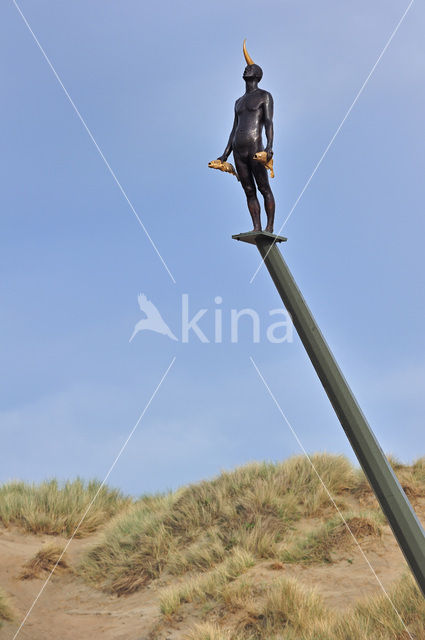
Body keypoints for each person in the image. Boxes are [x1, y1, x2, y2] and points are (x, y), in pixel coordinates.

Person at [218, 41, 275, 232]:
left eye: (249, 68)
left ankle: (269, 226)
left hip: (255, 146)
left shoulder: (264, 96)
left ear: (257, 74)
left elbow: (268, 122)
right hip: (238, 147)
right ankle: (256, 226)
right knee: (248, 190)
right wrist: (224, 155)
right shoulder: (238, 102)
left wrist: (269, 147)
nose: (246, 69)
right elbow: (233, 129)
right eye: (245, 68)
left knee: (263, 187)